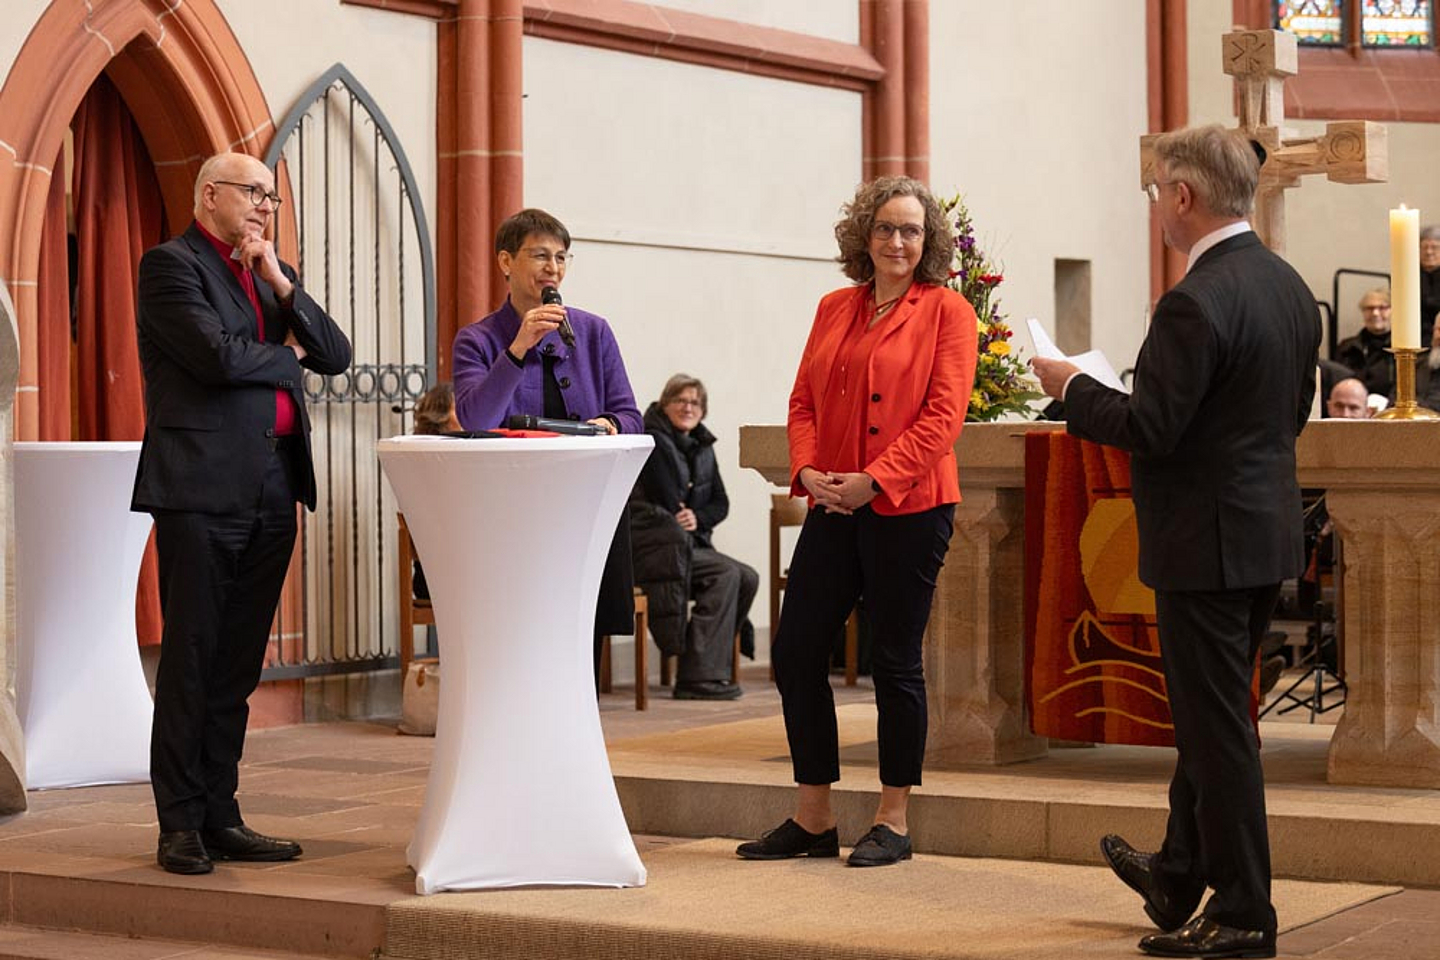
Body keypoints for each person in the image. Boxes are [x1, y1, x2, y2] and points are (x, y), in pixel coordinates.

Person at [1032, 125, 1319, 959]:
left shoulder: (1195, 299)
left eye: (1159, 190)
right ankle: (1177, 871)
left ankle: (1243, 914)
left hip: (1207, 542)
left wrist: (1074, 386)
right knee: (1211, 720)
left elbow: (1149, 427)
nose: (1156, 204)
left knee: (1218, 731)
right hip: (1262, 530)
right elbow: (1285, 415)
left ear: (1185, 196)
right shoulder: (1286, 285)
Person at [735, 176, 977, 868]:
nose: (897, 241)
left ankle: (893, 819)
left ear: (926, 242)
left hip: (911, 504)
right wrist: (808, 472)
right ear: (862, 237)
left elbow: (943, 415)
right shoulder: (834, 307)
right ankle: (813, 816)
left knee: (893, 659)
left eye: (910, 230)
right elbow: (803, 399)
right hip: (834, 501)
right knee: (797, 650)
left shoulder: (947, 311)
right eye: (885, 228)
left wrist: (878, 479)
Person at [131, 152, 353, 876]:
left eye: (271, 197)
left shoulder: (265, 275)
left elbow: (335, 355)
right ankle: (180, 825)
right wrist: (281, 357)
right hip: (200, 488)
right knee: (192, 661)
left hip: (271, 487)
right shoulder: (171, 266)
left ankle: (222, 814)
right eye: (253, 193)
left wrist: (280, 284)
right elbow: (215, 359)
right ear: (210, 195)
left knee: (235, 667)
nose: (265, 206)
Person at [451, 208, 642, 683]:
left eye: (561, 257)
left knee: (586, 634)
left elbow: (630, 415)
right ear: (505, 262)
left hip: (585, 505)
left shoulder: (593, 332)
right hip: (517, 513)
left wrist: (608, 421)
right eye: (539, 255)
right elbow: (476, 417)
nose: (553, 267)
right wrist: (518, 347)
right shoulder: (476, 340)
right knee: (523, 638)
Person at [630, 374, 758, 700]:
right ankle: (697, 676)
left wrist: (697, 517)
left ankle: (701, 658)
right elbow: (668, 495)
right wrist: (682, 513)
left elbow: (720, 502)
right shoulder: (652, 439)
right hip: (653, 547)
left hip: (686, 544)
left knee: (747, 576)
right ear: (665, 403)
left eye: (695, 403)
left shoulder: (701, 446)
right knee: (725, 573)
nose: (688, 407)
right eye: (680, 401)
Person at [1335, 288, 1393, 398]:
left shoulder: (1401, 350)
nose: (1375, 313)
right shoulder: (1346, 347)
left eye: (1382, 308)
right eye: (1369, 308)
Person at [1420, 225, 1440, 347]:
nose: (1429, 252)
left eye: (1435, 247)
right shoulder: (1407, 276)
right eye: (1424, 247)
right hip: (1418, 340)